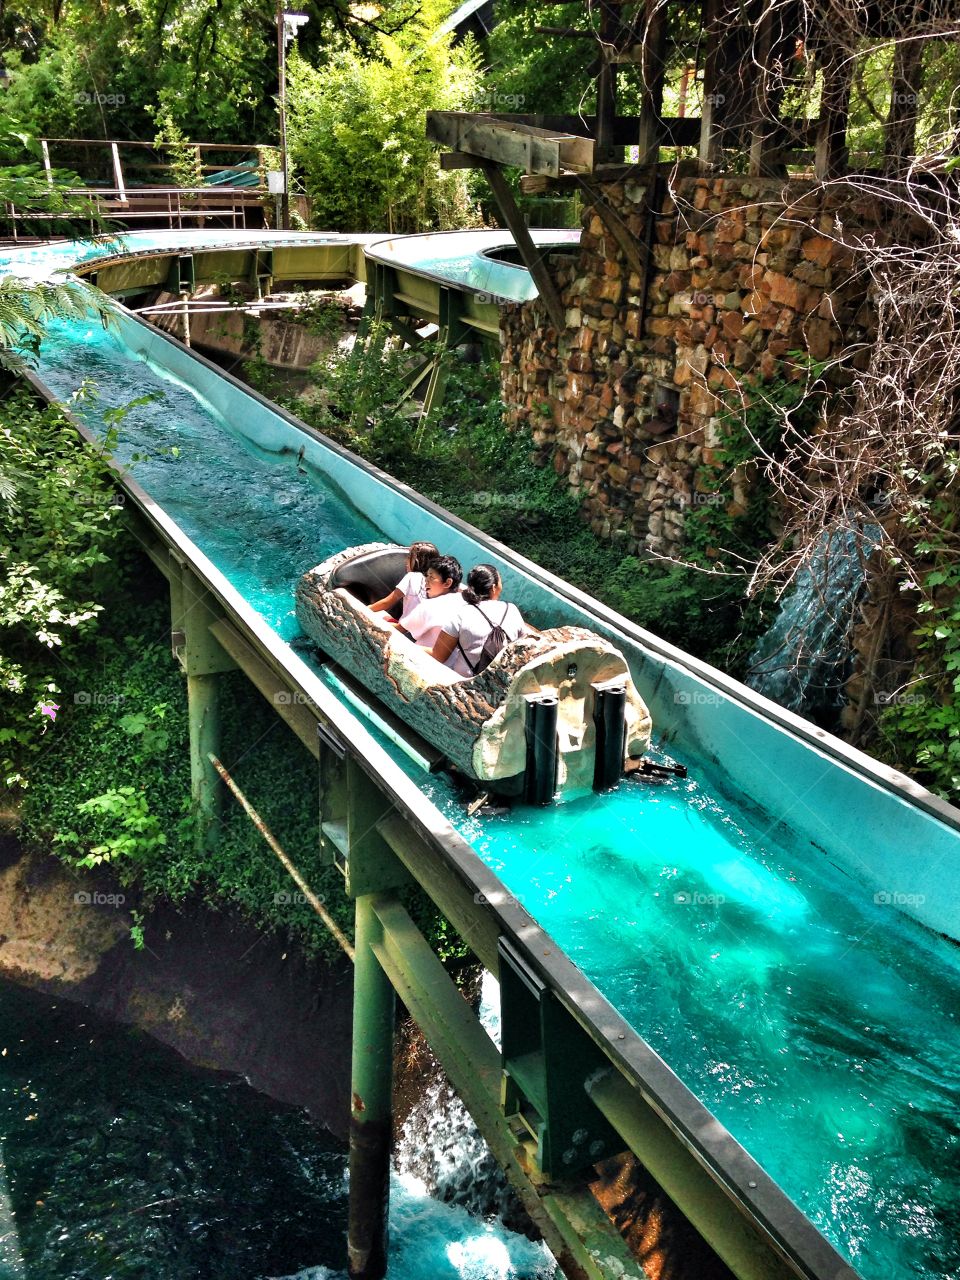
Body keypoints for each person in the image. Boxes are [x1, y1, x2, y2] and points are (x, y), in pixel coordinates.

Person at [430, 564, 527, 678]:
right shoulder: (511, 609)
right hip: (502, 681)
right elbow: (524, 645)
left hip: (464, 683)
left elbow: (439, 656)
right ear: (494, 587)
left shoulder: (461, 613)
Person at [400, 555, 464, 650]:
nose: (426, 580)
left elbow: (401, 629)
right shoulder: (464, 602)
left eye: (431, 577)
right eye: (426, 576)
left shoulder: (430, 606)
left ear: (447, 583)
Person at [370, 541, 437, 625]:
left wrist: (364, 609)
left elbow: (386, 603)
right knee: (386, 617)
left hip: (406, 629)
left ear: (416, 561)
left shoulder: (412, 577)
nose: (406, 560)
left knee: (379, 615)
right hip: (417, 631)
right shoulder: (434, 585)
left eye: (409, 557)